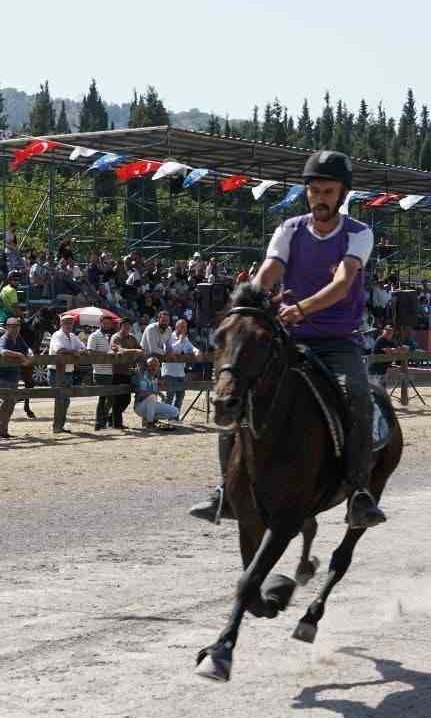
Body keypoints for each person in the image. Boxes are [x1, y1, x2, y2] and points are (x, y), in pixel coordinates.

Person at [190, 151, 386, 528]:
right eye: (313, 191)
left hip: (337, 341)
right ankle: (224, 489)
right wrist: (250, 299)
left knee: (358, 394)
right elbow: (270, 270)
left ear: (343, 194)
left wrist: (303, 309)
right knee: (236, 389)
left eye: (327, 190)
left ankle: (358, 490)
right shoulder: (289, 230)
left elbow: (343, 283)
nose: (319, 198)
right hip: (288, 337)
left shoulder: (359, 233)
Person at [0, 316, 31, 439]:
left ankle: (3, 430)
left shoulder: (18, 338)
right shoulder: (4, 338)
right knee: (6, 402)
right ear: (7, 327)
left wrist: (30, 352)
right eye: (12, 326)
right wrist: (19, 355)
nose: (15, 329)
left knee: (10, 404)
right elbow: (2, 352)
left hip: (14, 376)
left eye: (17, 326)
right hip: (1, 376)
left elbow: (26, 348)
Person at [48, 311, 83, 434]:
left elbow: (82, 347)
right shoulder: (57, 335)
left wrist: (78, 351)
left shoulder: (73, 336)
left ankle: (60, 425)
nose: (69, 325)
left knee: (66, 400)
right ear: (61, 323)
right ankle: (57, 426)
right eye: (67, 323)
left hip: (68, 371)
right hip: (56, 372)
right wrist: (74, 352)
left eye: (71, 323)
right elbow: (59, 350)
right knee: (60, 399)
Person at [107, 316, 141, 429]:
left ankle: (111, 418)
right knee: (118, 398)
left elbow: (141, 349)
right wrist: (135, 351)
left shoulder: (132, 338)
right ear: (120, 326)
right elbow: (119, 349)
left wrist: (137, 352)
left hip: (130, 371)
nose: (127, 327)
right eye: (125, 325)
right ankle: (116, 423)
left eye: (129, 326)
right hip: (118, 371)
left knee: (127, 399)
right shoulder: (115, 337)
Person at [86, 313, 116, 430]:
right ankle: (99, 422)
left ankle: (104, 419)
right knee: (103, 397)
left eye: (109, 323)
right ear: (101, 324)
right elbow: (90, 352)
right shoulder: (94, 336)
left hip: (111, 370)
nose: (108, 325)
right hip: (99, 371)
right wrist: (106, 355)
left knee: (112, 397)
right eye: (105, 323)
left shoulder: (112, 336)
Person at [133, 356, 180, 427]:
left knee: (175, 411)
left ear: (158, 367)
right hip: (140, 406)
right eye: (151, 365)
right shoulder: (142, 377)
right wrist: (154, 393)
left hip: (151, 405)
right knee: (152, 397)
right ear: (147, 366)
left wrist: (161, 395)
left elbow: (154, 391)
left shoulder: (155, 378)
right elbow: (141, 393)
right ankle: (150, 423)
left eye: (156, 366)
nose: (153, 368)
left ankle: (149, 419)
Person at [162, 318, 196, 409]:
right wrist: (180, 341)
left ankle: (175, 418)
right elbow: (169, 351)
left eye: (185, 327)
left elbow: (191, 348)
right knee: (169, 396)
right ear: (176, 327)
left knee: (180, 397)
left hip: (180, 373)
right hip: (169, 372)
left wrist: (198, 352)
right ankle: (162, 415)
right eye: (182, 326)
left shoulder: (185, 338)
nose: (184, 329)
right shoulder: (169, 336)